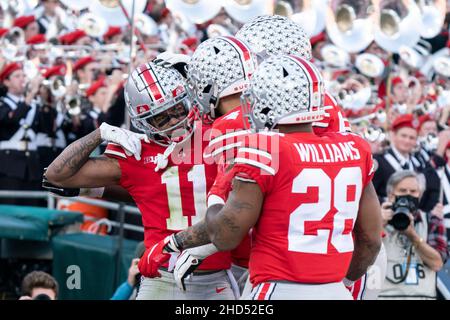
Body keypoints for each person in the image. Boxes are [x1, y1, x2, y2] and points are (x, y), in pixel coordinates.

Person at [144, 55, 382, 300]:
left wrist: (215, 195)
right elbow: (371, 240)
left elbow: (226, 234)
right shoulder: (355, 148)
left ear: (268, 103)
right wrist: (339, 282)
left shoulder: (267, 149)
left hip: (278, 288)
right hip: (334, 291)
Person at [45, 63, 235, 300]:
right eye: (161, 118)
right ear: (143, 122)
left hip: (216, 275)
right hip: (163, 275)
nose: (174, 121)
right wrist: (100, 133)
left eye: (177, 108)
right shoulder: (136, 151)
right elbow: (56, 175)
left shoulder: (218, 134)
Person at [379, 170, 447, 299]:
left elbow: (437, 263)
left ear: (420, 195)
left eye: (413, 192)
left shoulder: (431, 220)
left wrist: (412, 235)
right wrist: (378, 225)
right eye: (403, 191)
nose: (408, 195)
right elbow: (361, 255)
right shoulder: (376, 220)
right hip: (385, 296)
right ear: (390, 195)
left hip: (422, 296)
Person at [373, 114, 441, 212]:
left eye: (412, 138)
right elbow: (370, 194)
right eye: (403, 136)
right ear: (393, 135)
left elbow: (432, 189)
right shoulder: (379, 161)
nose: (407, 141)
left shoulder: (420, 162)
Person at [0, 62, 43, 205]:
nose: (22, 79)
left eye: (23, 75)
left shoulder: (33, 104)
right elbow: (11, 119)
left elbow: (49, 130)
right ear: (6, 81)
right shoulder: (3, 103)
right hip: (9, 165)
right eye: (17, 76)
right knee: (10, 208)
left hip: (32, 165)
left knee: (32, 208)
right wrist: (31, 94)